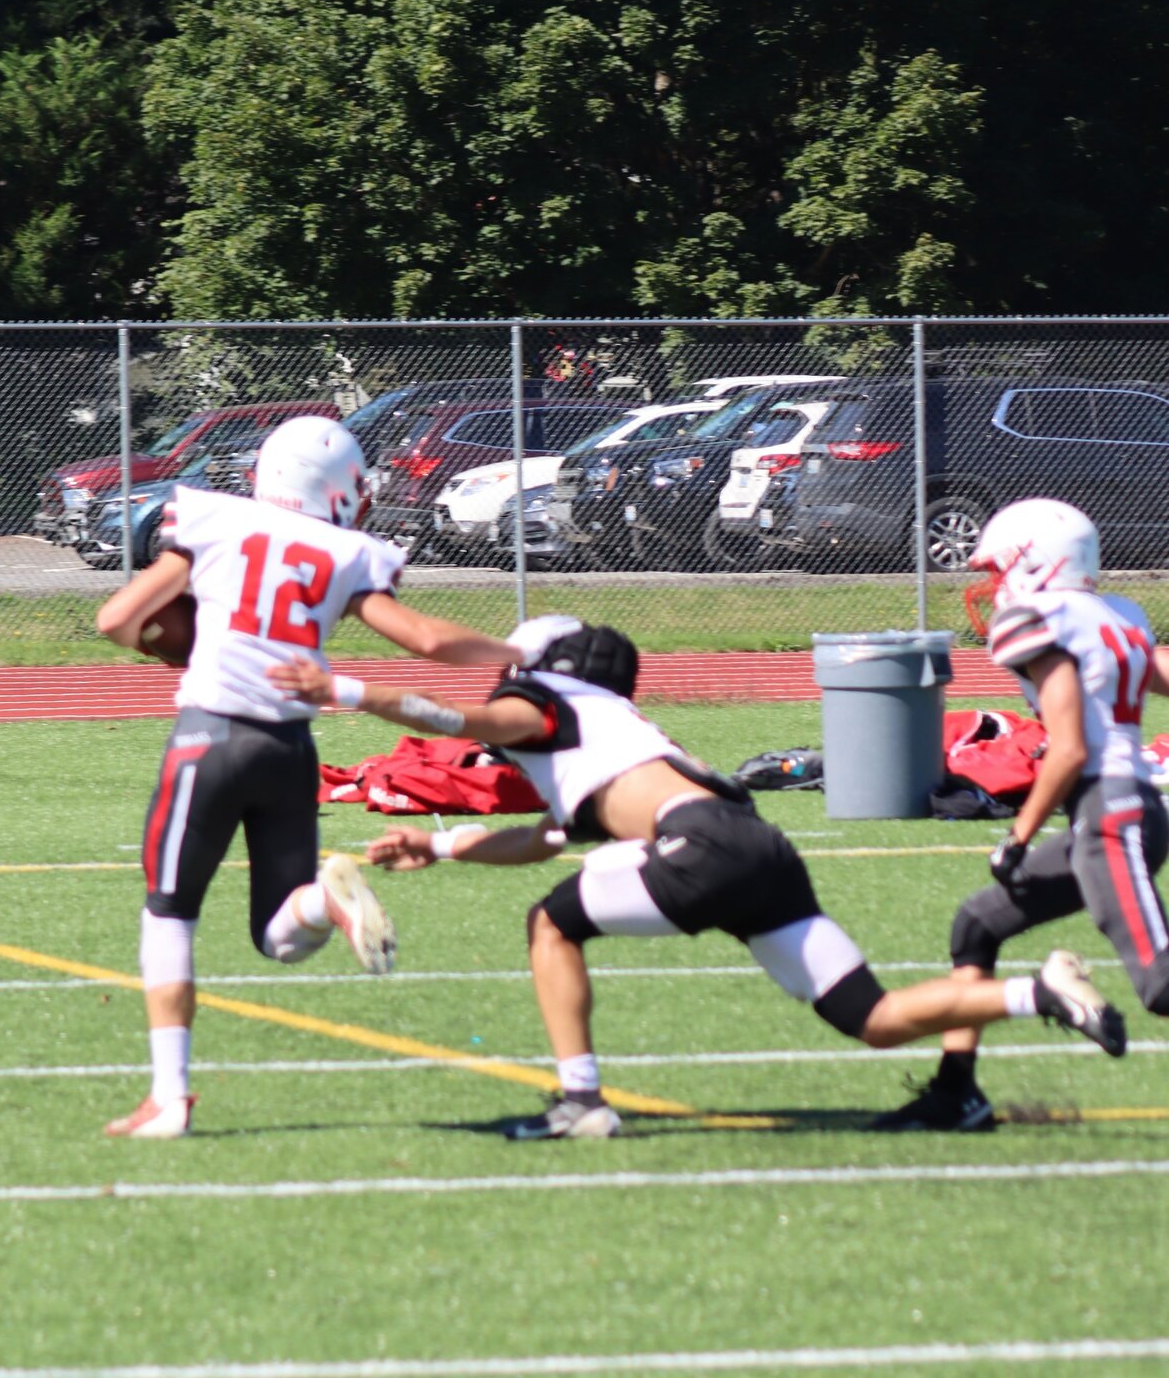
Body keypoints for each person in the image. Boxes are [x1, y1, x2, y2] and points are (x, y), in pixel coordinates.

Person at [269, 615, 1126, 1140]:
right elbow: (549, 836)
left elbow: (451, 715)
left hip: (702, 848)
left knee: (552, 923)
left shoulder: (548, 708)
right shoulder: (622, 731)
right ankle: (1038, 994)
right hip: (758, 849)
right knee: (873, 1018)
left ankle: (580, 1101)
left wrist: (341, 687)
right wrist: (446, 845)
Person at [98, 415, 521, 1139]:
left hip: (210, 736)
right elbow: (423, 638)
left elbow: (116, 620)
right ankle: (326, 898)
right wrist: (511, 649)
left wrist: (183, 642)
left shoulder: (213, 517)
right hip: (291, 750)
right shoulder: (349, 550)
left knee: (169, 912)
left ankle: (169, 1097)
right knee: (280, 935)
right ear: (339, 490)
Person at [875, 498, 1169, 1131]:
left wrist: (1018, 835)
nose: (992, 583)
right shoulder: (1122, 614)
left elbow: (1068, 749)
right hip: (1114, 815)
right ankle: (957, 1093)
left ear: (1036, 562)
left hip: (1111, 816)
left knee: (1162, 985)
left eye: (1000, 566)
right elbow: (1152, 673)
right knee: (977, 925)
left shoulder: (1039, 618)